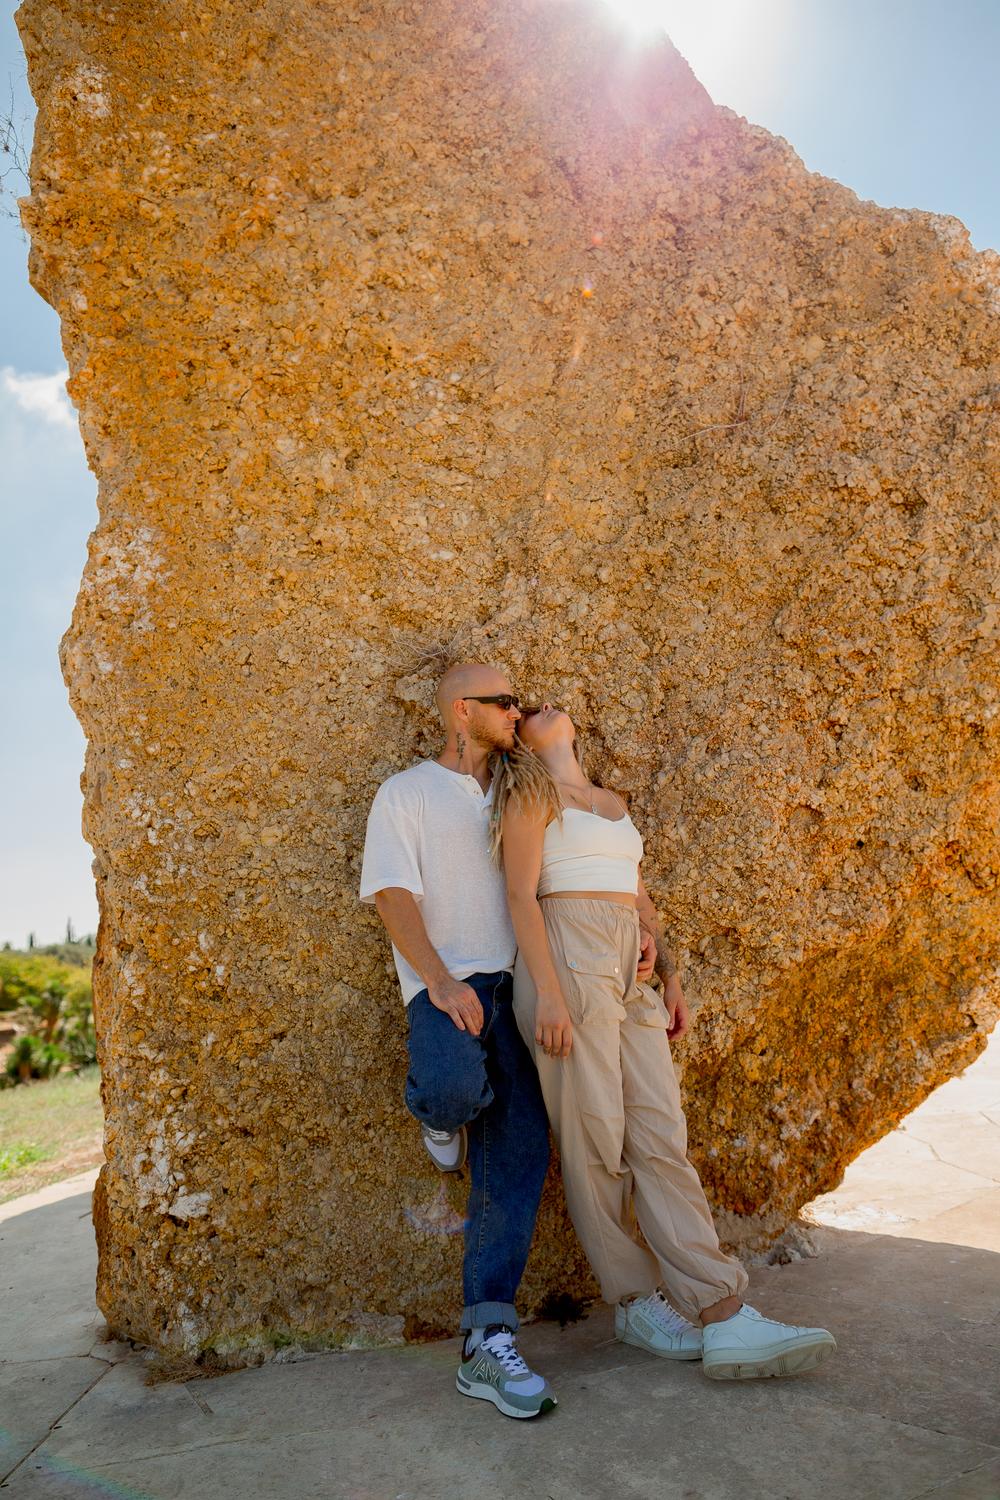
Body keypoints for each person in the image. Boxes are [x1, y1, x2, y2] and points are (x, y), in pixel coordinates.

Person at [493, 702, 837, 1381]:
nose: (541, 707)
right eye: (524, 709)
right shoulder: (530, 793)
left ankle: (719, 1306)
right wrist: (551, 992)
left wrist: (668, 971)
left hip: (629, 963)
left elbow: (638, 896)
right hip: (565, 953)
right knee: (596, 1138)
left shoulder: (612, 802)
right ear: (522, 745)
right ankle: (649, 1303)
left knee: (659, 1133)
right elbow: (519, 896)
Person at [359, 663, 566, 1419]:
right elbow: (390, 893)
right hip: (448, 984)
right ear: (460, 711)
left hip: (519, 992)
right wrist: (441, 982)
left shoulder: (519, 788)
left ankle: (486, 1341)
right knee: (451, 1087)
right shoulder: (405, 793)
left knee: (519, 1155)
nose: (517, 710)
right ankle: (440, 1117)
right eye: (503, 701)